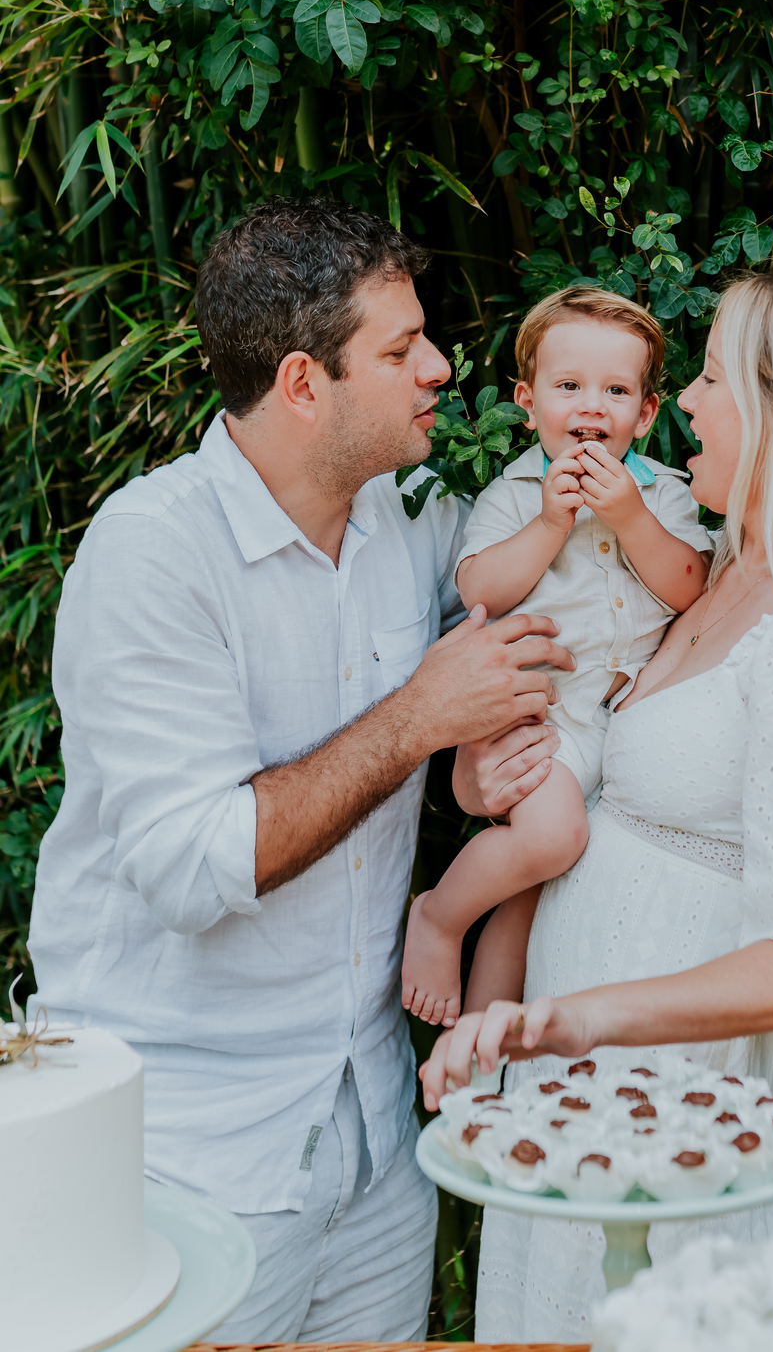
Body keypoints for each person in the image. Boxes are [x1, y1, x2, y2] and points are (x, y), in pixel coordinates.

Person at [26, 197, 572, 1345]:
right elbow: (192, 867)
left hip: (376, 1130)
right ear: (303, 382)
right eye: (399, 347)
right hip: (189, 1153)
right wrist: (420, 717)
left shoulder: (416, 524)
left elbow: (466, 732)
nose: (438, 365)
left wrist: (478, 764)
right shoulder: (153, 555)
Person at [421, 254, 773, 1343]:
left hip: (678, 1119)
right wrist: (479, 775)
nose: (681, 402)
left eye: (711, 378)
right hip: (575, 1103)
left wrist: (575, 1018)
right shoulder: (714, 572)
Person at [402, 288, 712, 1027]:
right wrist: (550, 521)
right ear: (527, 400)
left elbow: (690, 587)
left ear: (645, 414)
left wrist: (629, 516)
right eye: (568, 387)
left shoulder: (663, 494)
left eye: (615, 391)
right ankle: (440, 917)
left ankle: (483, 1064)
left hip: (626, 731)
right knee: (551, 839)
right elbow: (479, 588)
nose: (590, 408)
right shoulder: (514, 494)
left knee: (530, 899)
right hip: (545, 722)